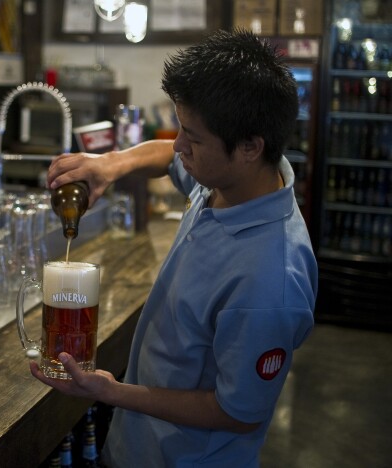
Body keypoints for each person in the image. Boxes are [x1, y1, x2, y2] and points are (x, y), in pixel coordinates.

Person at [30, 29, 318, 467]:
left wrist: (113, 392)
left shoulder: (270, 280)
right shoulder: (232, 180)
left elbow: (236, 412)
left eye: (193, 137)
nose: (179, 144)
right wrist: (112, 163)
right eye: (181, 127)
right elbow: (168, 155)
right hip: (136, 445)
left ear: (249, 147)